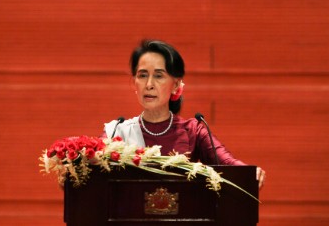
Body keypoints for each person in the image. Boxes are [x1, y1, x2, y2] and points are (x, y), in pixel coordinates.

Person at [103, 39, 266, 189]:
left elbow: (228, 164)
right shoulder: (117, 131)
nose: (149, 84)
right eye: (143, 75)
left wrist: (251, 173)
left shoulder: (193, 131)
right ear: (134, 83)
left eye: (159, 75)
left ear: (176, 85)